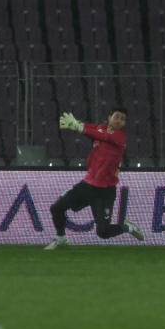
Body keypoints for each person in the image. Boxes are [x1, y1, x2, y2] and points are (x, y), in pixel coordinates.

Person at [44, 106, 145, 249]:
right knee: (56, 208)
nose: (119, 121)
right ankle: (61, 239)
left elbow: (101, 136)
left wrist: (79, 128)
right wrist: (77, 124)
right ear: (109, 117)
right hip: (87, 186)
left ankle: (128, 227)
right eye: (117, 117)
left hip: (105, 192)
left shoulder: (120, 136)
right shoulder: (100, 128)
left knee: (103, 232)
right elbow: (89, 128)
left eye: (123, 119)